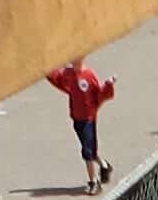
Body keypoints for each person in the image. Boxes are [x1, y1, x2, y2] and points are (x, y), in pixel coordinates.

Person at [47, 57, 116, 189]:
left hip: (88, 119)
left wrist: (108, 85)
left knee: (87, 152)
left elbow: (99, 94)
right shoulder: (68, 73)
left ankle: (93, 182)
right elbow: (60, 80)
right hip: (76, 117)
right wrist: (48, 72)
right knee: (90, 150)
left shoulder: (89, 75)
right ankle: (104, 166)